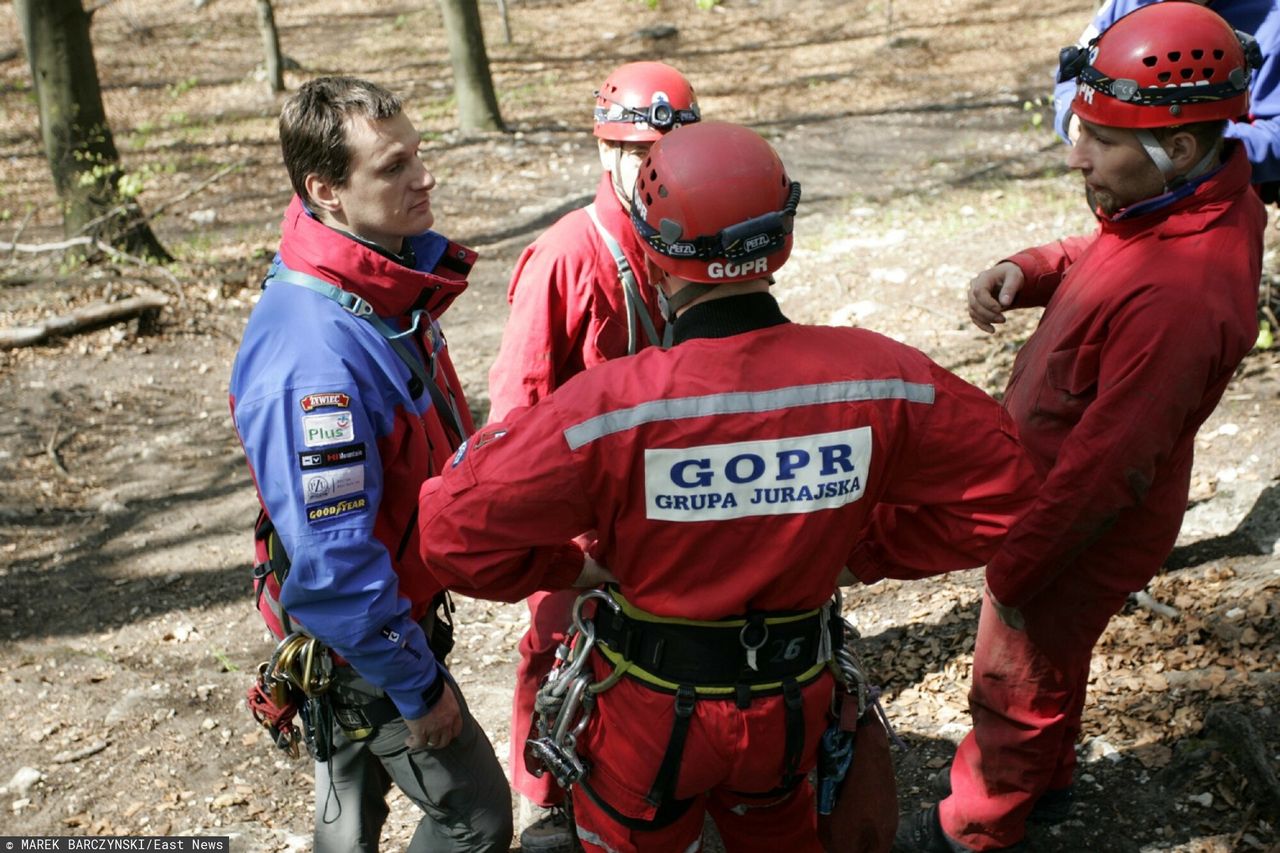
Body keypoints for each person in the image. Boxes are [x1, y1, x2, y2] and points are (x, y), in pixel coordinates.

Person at [419, 120, 1041, 853]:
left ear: (650, 255)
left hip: (645, 716)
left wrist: (569, 568)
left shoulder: (610, 411)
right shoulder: (879, 379)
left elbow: (449, 528)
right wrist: (858, 555)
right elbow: (1009, 488)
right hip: (789, 707)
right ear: (781, 240)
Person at [897, 6, 1266, 851]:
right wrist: (1026, 270)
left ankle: (976, 827)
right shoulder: (1188, 205)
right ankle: (1047, 786)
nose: (1076, 155)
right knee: (1050, 664)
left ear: (1174, 147)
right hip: (1067, 498)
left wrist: (1016, 568)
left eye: (1100, 140)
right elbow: (1106, 249)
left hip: (1078, 520)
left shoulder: (1184, 295)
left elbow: (1110, 467)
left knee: (1017, 675)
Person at [228, 76, 512, 853]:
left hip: (360, 625)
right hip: (364, 635)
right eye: (392, 167)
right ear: (325, 191)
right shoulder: (314, 356)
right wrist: (417, 685)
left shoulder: (382, 284)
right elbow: (335, 558)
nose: (423, 176)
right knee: (477, 817)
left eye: (418, 154)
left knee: (348, 816)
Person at [486, 60, 699, 853]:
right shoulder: (567, 256)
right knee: (560, 659)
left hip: (661, 513)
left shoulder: (686, 231)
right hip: (582, 531)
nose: (656, 170)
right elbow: (518, 417)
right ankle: (551, 804)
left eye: (670, 154)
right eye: (641, 152)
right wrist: (553, 553)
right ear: (606, 148)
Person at [1051, 0, 1278, 195]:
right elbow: (1072, 72)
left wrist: (1194, 142)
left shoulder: (1271, 23)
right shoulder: (1129, 3)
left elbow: (1276, 138)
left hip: (1209, 204)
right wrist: (1073, 117)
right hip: (1122, 203)